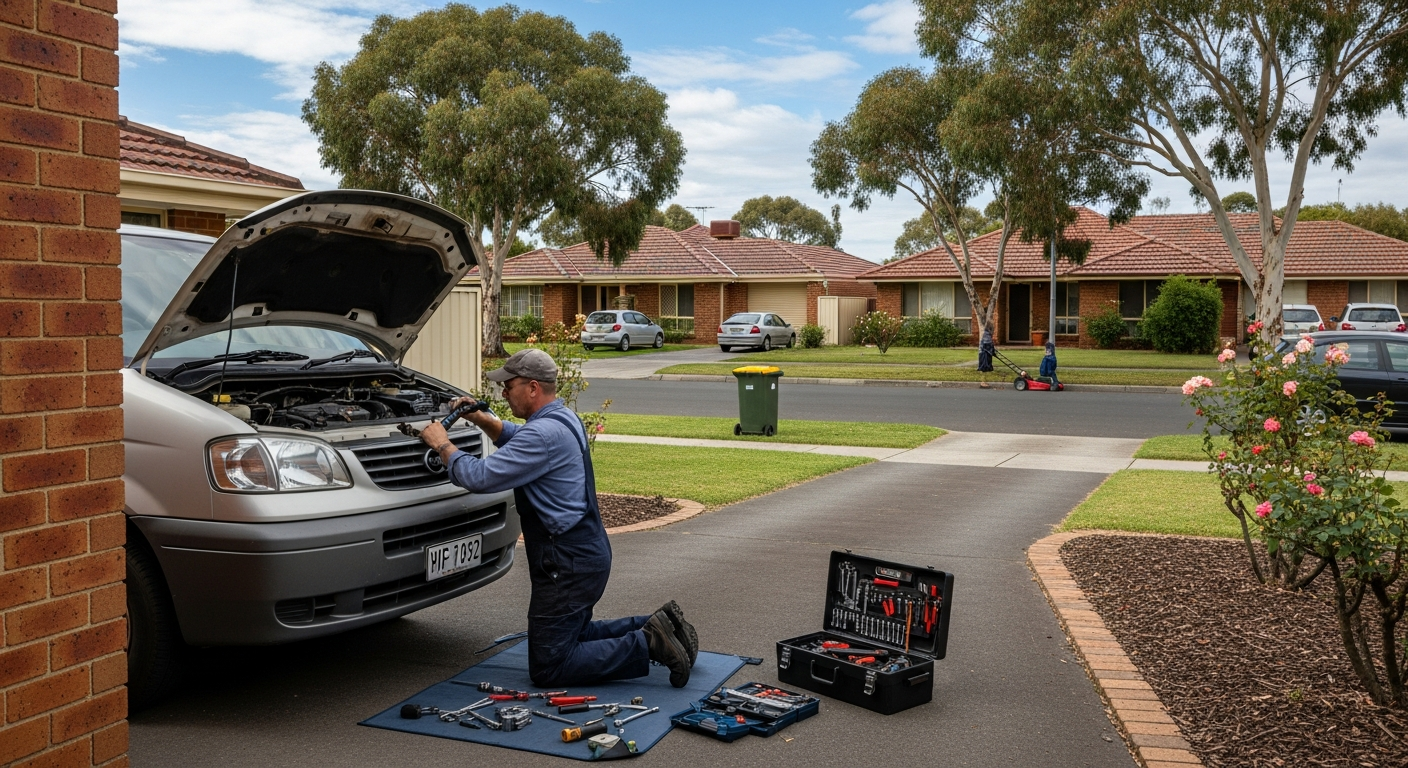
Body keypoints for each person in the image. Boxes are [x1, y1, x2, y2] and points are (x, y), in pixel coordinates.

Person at [417, 349, 697, 688]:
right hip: (585, 552)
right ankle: (661, 624)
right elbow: (521, 440)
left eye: (509, 385)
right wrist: (483, 420)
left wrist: (442, 445)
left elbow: (479, 477)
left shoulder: (541, 435)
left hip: (565, 563)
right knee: (574, 632)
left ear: (533, 388)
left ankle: (650, 642)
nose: (502, 392)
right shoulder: (563, 418)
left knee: (551, 665)